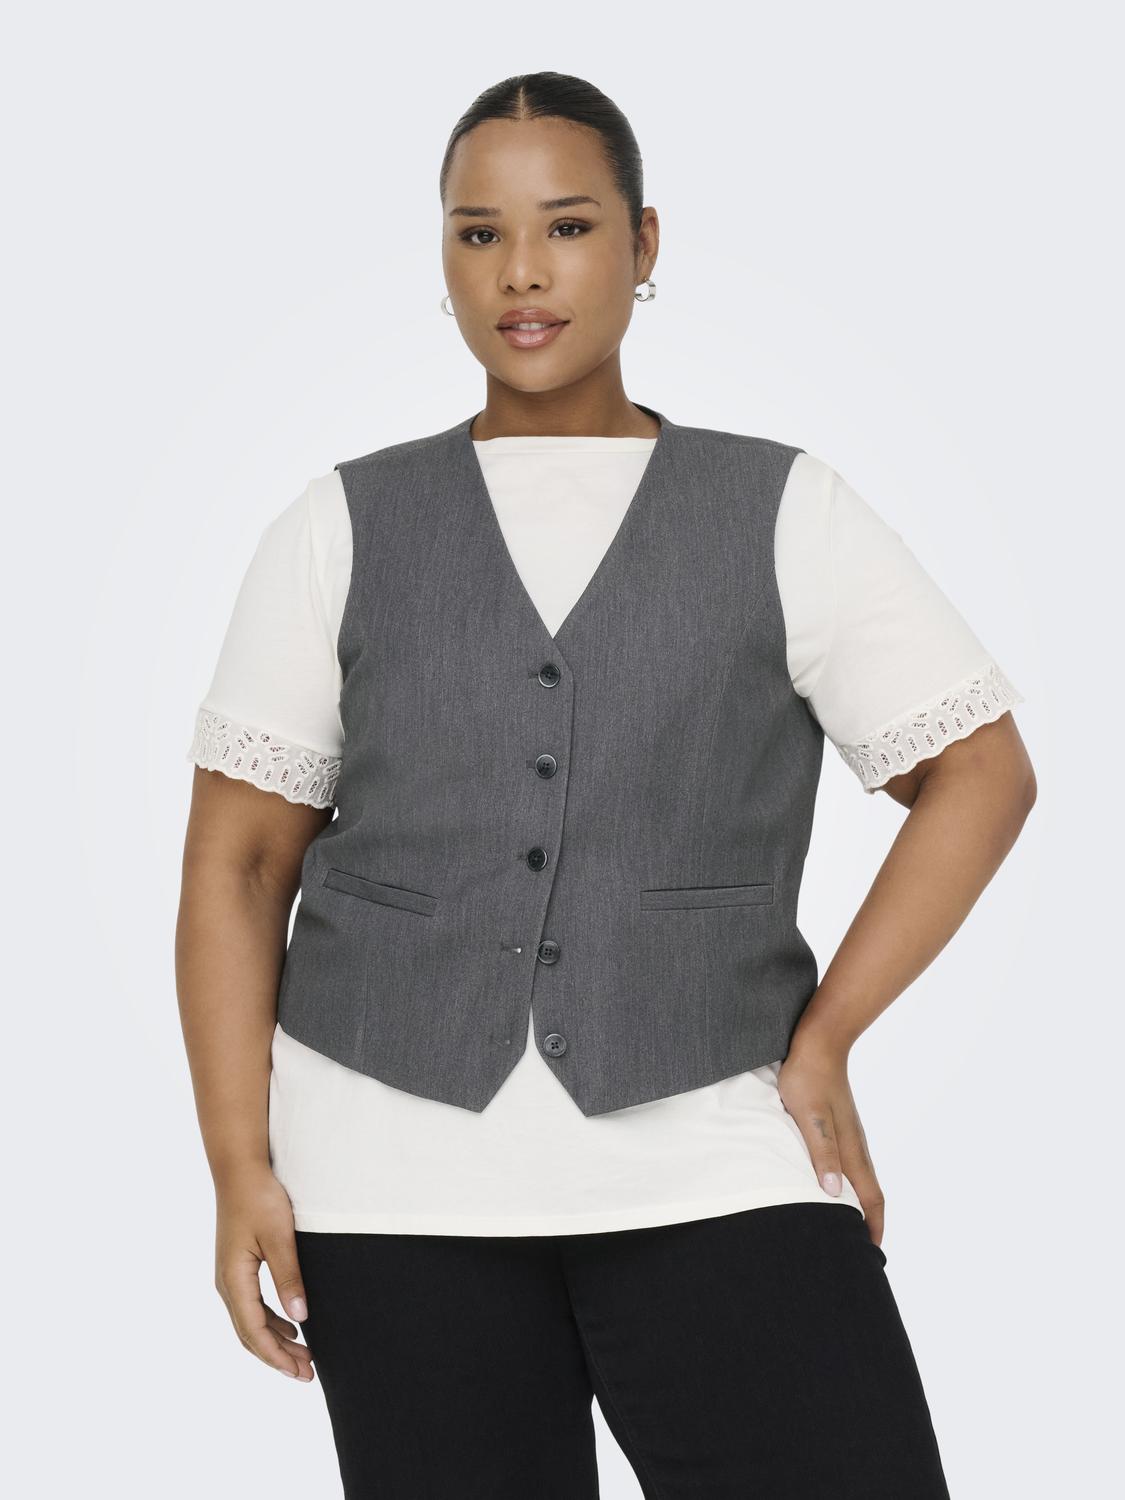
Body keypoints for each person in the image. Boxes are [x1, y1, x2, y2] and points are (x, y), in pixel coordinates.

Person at [175, 70, 1035, 1499]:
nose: (521, 271)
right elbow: (240, 861)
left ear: (642, 244)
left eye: (567, 227)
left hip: (710, 1143)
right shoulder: (339, 525)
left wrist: (824, 1041)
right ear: (444, 256)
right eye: (478, 233)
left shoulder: (783, 507)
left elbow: (979, 774)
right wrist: (235, 1165)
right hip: (391, 1175)